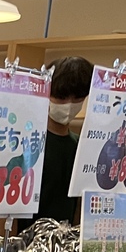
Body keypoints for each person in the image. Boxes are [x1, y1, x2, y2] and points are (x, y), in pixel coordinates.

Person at [34, 56, 92, 226]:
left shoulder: (82, 146)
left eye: (77, 98)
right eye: (61, 96)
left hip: (65, 239)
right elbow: (8, 207)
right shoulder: (29, 142)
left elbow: (79, 203)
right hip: (23, 239)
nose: (69, 104)